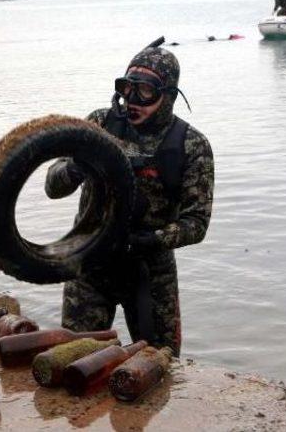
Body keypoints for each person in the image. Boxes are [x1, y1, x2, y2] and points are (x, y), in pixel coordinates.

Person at [44, 39, 214, 357]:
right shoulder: (98, 125)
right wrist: (78, 164)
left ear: (168, 95)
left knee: (159, 368)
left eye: (145, 92)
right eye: (127, 88)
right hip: (90, 266)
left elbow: (197, 222)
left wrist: (150, 240)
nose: (133, 100)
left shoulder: (190, 145)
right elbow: (53, 187)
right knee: (74, 360)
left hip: (151, 271)